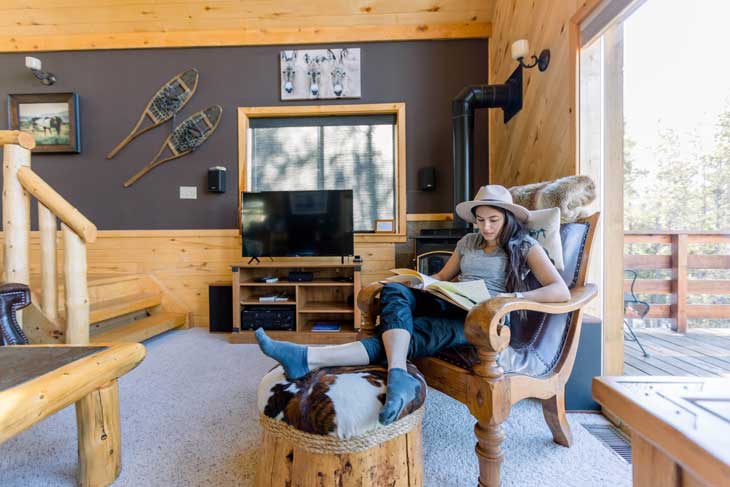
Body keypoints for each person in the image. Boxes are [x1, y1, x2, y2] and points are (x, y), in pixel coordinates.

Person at [255, 185, 570, 426]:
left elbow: (560, 291)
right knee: (394, 289)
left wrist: (511, 299)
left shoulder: (524, 247)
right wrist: (423, 283)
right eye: (480, 220)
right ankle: (398, 375)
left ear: (508, 218)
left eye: (493, 220)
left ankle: (307, 357)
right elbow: (443, 277)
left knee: (412, 332)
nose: (486, 227)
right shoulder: (467, 243)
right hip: (452, 301)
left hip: (484, 320)